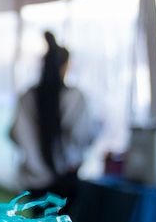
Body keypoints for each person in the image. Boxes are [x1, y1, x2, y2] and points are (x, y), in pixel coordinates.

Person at [10, 31, 100, 202]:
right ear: (66, 65)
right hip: (66, 178)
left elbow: (15, 134)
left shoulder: (27, 97)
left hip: (34, 178)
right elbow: (82, 134)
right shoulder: (75, 97)